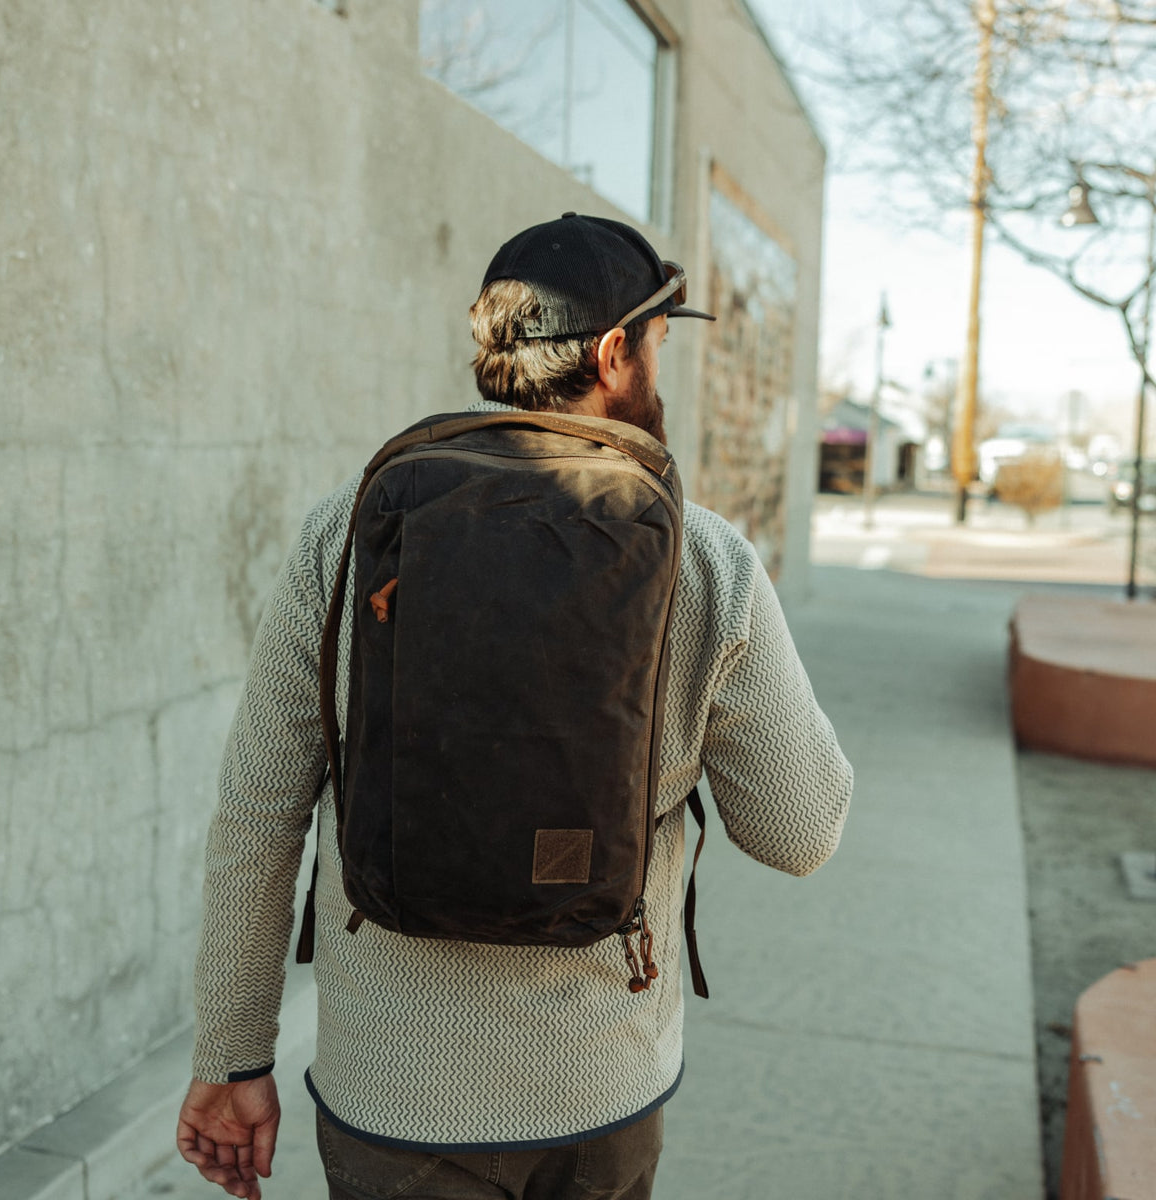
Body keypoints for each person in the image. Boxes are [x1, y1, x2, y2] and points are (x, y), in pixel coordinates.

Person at [177, 213, 853, 1200]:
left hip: (391, 1093)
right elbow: (800, 830)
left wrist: (234, 1059)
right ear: (616, 353)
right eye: (661, 343)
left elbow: (259, 813)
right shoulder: (706, 560)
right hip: (598, 1083)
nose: (663, 369)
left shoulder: (347, 530)